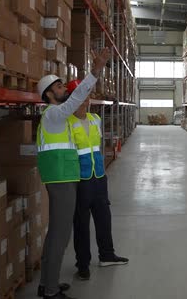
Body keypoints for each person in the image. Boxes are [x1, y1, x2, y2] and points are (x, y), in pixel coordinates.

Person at [36, 48, 111, 299]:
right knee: (60, 235)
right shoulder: (54, 114)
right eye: (58, 87)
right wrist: (95, 71)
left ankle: (46, 282)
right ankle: (50, 290)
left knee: (56, 233)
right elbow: (77, 98)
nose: (62, 89)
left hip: (64, 177)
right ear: (49, 94)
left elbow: (81, 103)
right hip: (61, 179)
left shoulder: (58, 118)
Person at [65, 79, 129, 281]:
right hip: (80, 179)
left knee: (104, 218)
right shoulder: (67, 123)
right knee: (81, 223)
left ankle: (107, 255)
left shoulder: (95, 119)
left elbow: (97, 148)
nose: (84, 102)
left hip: (99, 177)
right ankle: (82, 264)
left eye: (86, 98)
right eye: (79, 98)